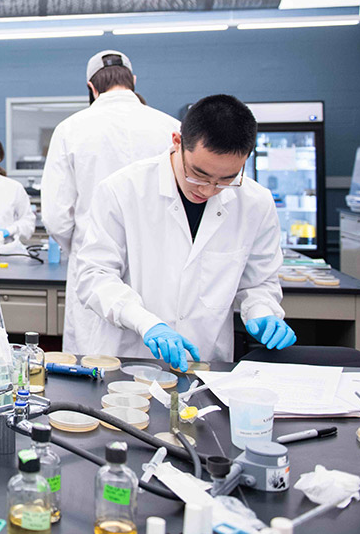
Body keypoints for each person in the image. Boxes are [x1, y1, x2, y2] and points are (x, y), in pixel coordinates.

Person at [74, 94, 296, 369]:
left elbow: (259, 282)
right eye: (198, 175)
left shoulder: (255, 203)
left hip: (205, 363)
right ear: (177, 142)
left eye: (226, 179)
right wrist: (145, 322)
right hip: (129, 360)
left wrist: (262, 311)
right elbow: (95, 276)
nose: (208, 190)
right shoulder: (122, 190)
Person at [40, 50, 181, 352]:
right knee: (158, 369)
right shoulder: (171, 128)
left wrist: (81, 246)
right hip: (160, 266)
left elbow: (55, 217)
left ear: (91, 88)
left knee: (94, 371)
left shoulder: (70, 129)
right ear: (133, 82)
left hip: (94, 267)